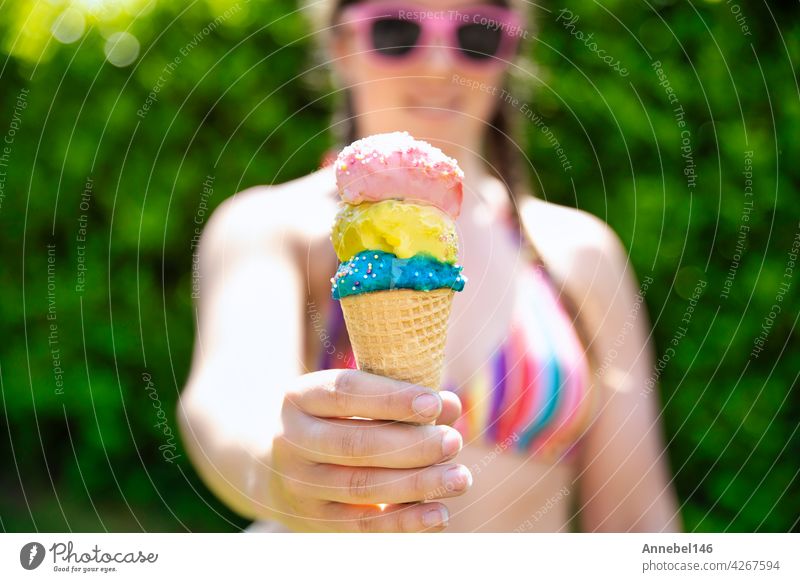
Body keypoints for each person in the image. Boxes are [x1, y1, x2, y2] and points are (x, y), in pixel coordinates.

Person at [177, 0, 682, 532]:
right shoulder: (272, 224)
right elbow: (231, 400)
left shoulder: (578, 252)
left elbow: (635, 517)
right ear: (341, 44)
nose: (440, 63)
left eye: (476, 34)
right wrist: (277, 472)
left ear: (510, 48)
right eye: (396, 30)